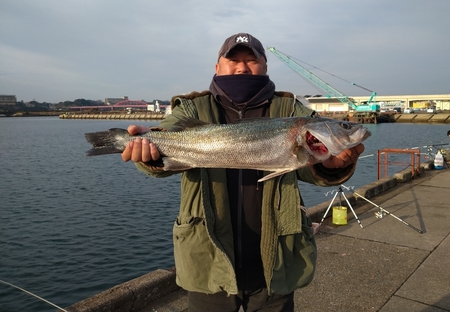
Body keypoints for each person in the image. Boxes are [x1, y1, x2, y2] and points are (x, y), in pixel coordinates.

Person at [121, 33, 364, 312]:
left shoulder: (291, 109)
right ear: (217, 67)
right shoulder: (191, 107)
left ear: (265, 66)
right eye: (233, 60)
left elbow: (306, 171)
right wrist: (147, 153)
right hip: (208, 259)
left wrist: (329, 166)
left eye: (251, 60)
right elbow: (163, 144)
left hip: (278, 259)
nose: (242, 67)